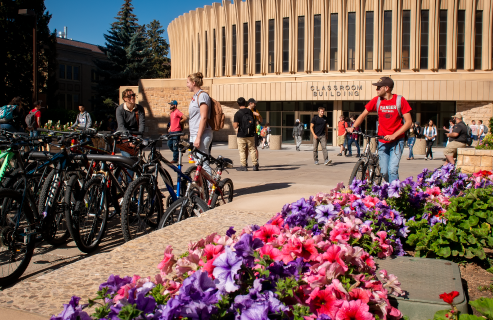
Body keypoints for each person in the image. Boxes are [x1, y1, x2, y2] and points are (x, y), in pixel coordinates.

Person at [347, 77, 412, 183]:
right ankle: (391, 187)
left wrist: (394, 135)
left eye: (378, 87)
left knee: (392, 170)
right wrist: (353, 127)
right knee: (384, 172)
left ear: (386, 88)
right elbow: (363, 115)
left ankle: (394, 194)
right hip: (382, 141)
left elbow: (408, 122)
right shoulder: (377, 101)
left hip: (396, 142)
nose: (376, 89)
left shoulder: (400, 100)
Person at [187, 72, 213, 176]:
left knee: (203, 164)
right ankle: (202, 189)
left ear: (194, 83)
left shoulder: (202, 96)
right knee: (198, 163)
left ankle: (211, 188)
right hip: (195, 134)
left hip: (202, 135)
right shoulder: (195, 96)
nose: (187, 84)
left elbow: (204, 117)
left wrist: (198, 137)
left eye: (188, 82)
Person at [116, 89, 145, 179]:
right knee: (129, 160)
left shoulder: (139, 108)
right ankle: (127, 184)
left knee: (133, 161)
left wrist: (137, 139)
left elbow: (142, 125)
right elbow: (121, 126)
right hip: (124, 138)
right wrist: (129, 139)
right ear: (124, 98)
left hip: (136, 137)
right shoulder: (120, 109)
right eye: (129, 96)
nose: (132, 97)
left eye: (133, 95)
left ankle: (125, 184)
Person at [234, 97, 258, 171]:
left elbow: (235, 126)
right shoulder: (250, 111)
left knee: (242, 150)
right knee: (252, 149)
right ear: (245, 103)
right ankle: (255, 165)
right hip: (250, 133)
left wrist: (238, 125)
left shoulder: (237, 113)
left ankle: (244, 166)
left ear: (238, 104)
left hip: (241, 134)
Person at [245, 98, 262, 166]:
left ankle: (256, 162)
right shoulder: (245, 110)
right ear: (250, 103)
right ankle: (245, 162)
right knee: (246, 147)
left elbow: (261, 120)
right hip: (246, 131)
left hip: (253, 131)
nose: (255, 104)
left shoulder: (255, 110)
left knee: (255, 147)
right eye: (254, 103)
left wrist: (258, 115)